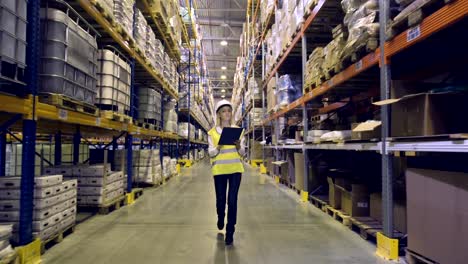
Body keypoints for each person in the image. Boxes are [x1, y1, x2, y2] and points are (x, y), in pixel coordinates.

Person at [208, 99, 245, 245]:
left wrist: (238, 146)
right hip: (219, 171)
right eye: (223, 111)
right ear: (219, 114)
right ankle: (220, 216)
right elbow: (210, 153)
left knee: (232, 200)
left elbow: (243, 153)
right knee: (221, 200)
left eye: (229, 111)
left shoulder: (238, 131)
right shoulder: (212, 133)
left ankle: (230, 230)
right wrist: (218, 147)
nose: (227, 113)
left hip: (236, 170)